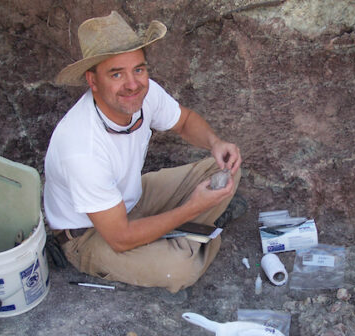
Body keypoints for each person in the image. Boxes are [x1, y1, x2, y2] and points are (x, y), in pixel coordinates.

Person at [44, 11, 244, 293]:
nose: (132, 84)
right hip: (90, 234)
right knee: (181, 269)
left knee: (224, 167)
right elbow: (120, 237)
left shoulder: (143, 93)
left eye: (138, 69)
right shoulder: (81, 147)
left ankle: (177, 232)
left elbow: (184, 121)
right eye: (116, 74)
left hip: (131, 198)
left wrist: (215, 142)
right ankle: (194, 232)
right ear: (93, 81)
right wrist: (193, 207)